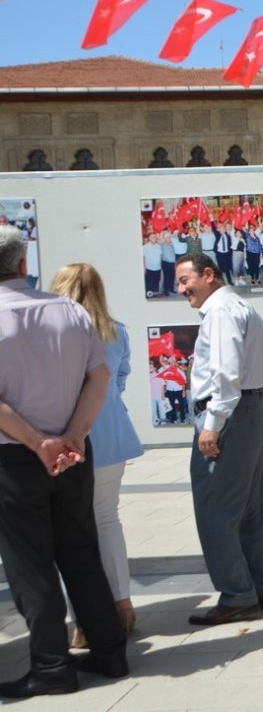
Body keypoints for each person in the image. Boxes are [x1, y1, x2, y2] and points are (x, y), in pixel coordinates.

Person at [0, 226, 129, 697]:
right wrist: (73, 434)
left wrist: (38, 442)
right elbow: (99, 375)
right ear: (22, 263)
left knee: (30, 564)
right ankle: (110, 650)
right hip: (73, 451)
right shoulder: (69, 310)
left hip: (15, 456)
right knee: (80, 551)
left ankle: (52, 665)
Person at [175, 251, 263, 626]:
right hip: (251, 408)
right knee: (250, 507)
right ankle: (261, 588)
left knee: (215, 509)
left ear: (208, 274)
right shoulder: (239, 306)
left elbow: (225, 373)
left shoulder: (220, 311)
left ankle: (237, 594)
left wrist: (212, 424)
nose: (182, 290)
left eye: (186, 281)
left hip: (230, 413)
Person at [49, 264, 146, 649]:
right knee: (107, 521)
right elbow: (120, 380)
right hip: (112, 434)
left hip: (72, 437)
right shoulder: (116, 330)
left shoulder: (57, 333)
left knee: (72, 532)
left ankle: (84, 619)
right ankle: (121, 603)